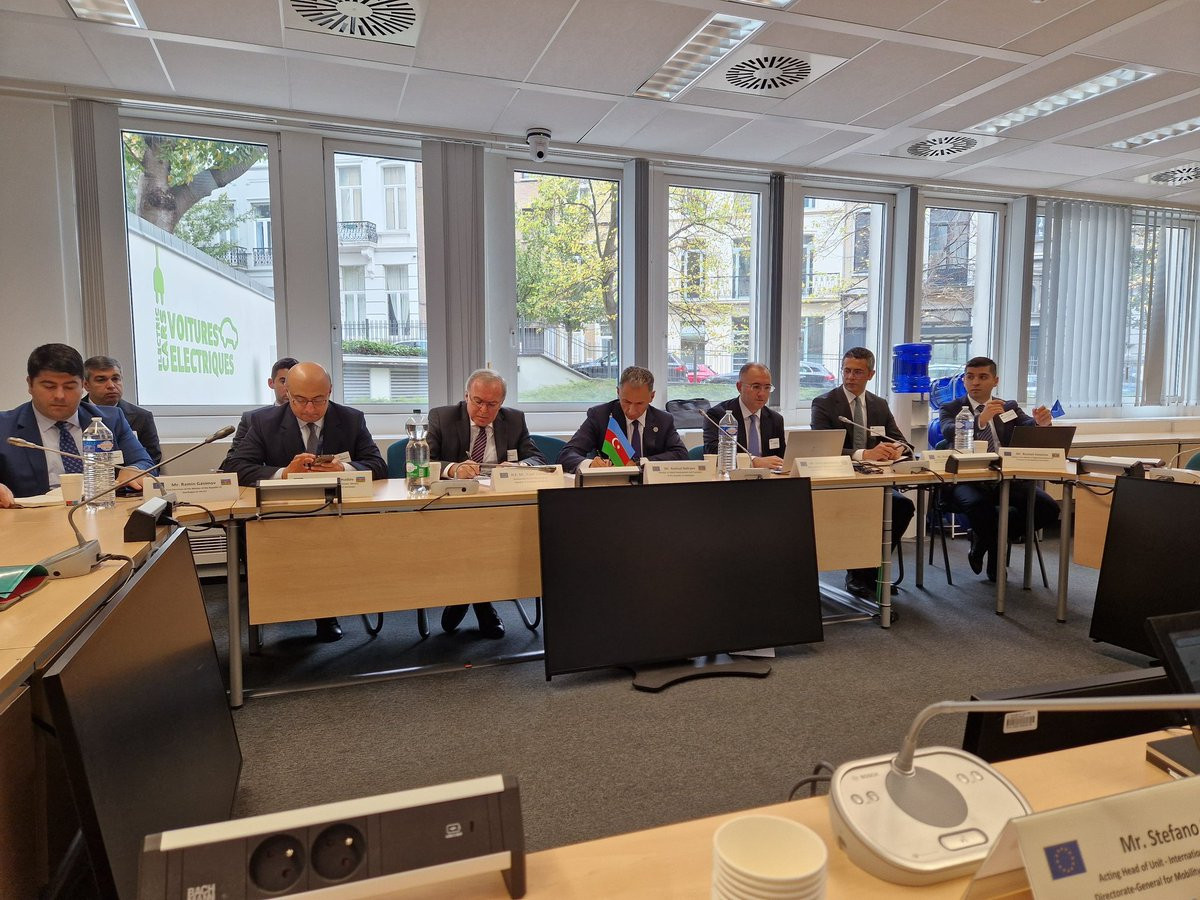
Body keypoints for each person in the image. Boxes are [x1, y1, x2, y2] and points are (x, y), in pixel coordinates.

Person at [219, 361, 387, 641]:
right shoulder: (264, 422)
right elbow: (234, 467)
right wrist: (284, 473)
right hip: (282, 516)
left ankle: (327, 611)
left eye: (318, 400)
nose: (310, 409)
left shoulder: (351, 419)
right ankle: (276, 608)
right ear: (287, 394)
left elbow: (378, 466)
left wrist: (343, 469)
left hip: (335, 516)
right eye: (300, 400)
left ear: (330, 392)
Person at [427, 368, 545, 639]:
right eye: (478, 401)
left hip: (498, 507)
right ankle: (482, 605)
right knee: (470, 538)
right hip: (453, 508)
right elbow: (422, 461)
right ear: (466, 395)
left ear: (501, 403)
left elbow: (537, 458)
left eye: (492, 404)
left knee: (496, 539)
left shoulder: (514, 420)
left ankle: (464, 598)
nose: (483, 410)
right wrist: (454, 468)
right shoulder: (442, 417)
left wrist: (517, 467)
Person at [938, 356, 1059, 581]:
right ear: (964, 380)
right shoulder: (951, 407)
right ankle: (994, 549)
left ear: (995, 381)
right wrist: (980, 420)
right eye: (970, 377)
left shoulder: (1007, 407)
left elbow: (1027, 427)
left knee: (1047, 509)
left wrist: (1041, 424)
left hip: (1005, 478)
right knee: (979, 507)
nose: (975, 382)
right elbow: (948, 431)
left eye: (983, 377)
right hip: (965, 480)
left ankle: (984, 541)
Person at [811, 347, 916, 600]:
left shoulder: (879, 404)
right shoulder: (824, 403)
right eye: (846, 370)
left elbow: (901, 441)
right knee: (861, 509)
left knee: (903, 507)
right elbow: (823, 448)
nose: (850, 377)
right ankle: (859, 576)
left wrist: (896, 449)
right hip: (839, 482)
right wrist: (864, 454)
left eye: (857, 372)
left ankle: (871, 571)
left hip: (875, 481)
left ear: (871, 374)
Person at [0, 343, 153, 509]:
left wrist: (135, 469)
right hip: (30, 518)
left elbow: (144, 462)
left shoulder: (111, 419)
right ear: (30, 385)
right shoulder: (4, 426)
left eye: (69, 387)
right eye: (49, 386)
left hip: (102, 512)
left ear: (83, 386)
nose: (59, 395)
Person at [559, 366, 688, 473]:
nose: (631, 410)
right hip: (611, 488)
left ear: (652, 396)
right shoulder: (600, 416)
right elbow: (566, 454)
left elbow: (681, 455)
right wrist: (590, 464)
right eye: (626, 401)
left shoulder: (663, 420)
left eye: (639, 403)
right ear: (618, 392)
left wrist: (639, 463)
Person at [702, 362, 786, 469]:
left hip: (768, 477)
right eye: (756, 387)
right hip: (731, 477)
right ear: (739, 387)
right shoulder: (718, 416)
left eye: (767, 387)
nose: (762, 393)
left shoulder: (775, 419)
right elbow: (714, 453)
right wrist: (753, 462)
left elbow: (781, 457)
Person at [83, 355, 162, 465]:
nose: (111, 385)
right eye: (101, 380)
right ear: (86, 385)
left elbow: (152, 461)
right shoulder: (74, 413)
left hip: (129, 475)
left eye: (115, 379)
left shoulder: (142, 417)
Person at [224, 356, 298, 460]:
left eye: (294, 383)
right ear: (271, 383)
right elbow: (233, 461)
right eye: (283, 381)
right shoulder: (251, 419)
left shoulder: (310, 416)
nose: (288, 388)